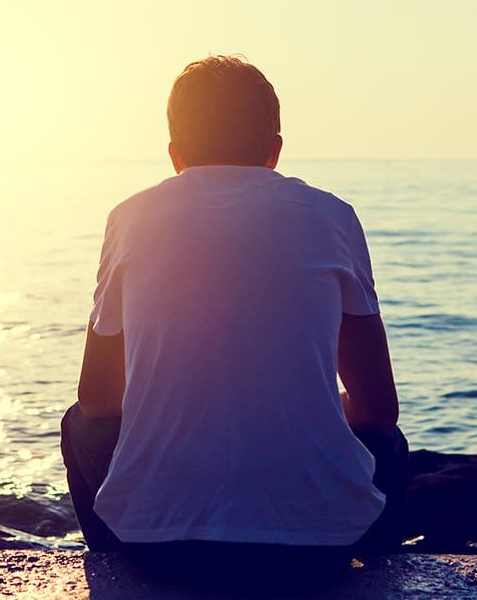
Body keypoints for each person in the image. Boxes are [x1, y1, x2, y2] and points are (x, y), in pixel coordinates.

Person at [60, 55, 409, 579]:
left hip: (161, 552)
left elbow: (98, 401)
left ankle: (115, 574)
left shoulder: (129, 218)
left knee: (79, 425)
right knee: (389, 445)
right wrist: (309, 406)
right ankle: (379, 575)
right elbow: (379, 411)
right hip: (315, 554)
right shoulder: (331, 217)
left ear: (175, 156)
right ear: (275, 151)